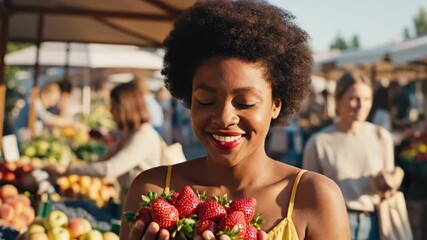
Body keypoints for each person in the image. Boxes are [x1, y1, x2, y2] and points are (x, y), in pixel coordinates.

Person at [122, 1, 350, 239]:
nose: (224, 118)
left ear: (276, 105)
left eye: (245, 103)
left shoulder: (315, 198)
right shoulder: (153, 190)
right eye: (205, 100)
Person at [44, 81, 185, 203]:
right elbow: (103, 159)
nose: (111, 111)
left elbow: (109, 168)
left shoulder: (144, 136)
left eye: (113, 106)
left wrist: (68, 170)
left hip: (146, 210)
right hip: (133, 203)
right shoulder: (129, 134)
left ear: (125, 108)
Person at [303, 71, 396, 240]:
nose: (362, 105)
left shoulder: (382, 137)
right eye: (354, 98)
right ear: (338, 100)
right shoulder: (318, 143)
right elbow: (308, 195)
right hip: (332, 224)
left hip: (374, 224)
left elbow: (388, 189)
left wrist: (392, 179)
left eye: (367, 99)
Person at [13, 82, 86, 145]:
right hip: (22, 142)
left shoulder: (40, 104)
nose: (53, 104)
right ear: (45, 94)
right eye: (53, 100)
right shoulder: (35, 103)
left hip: (28, 141)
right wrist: (73, 124)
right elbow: (49, 119)